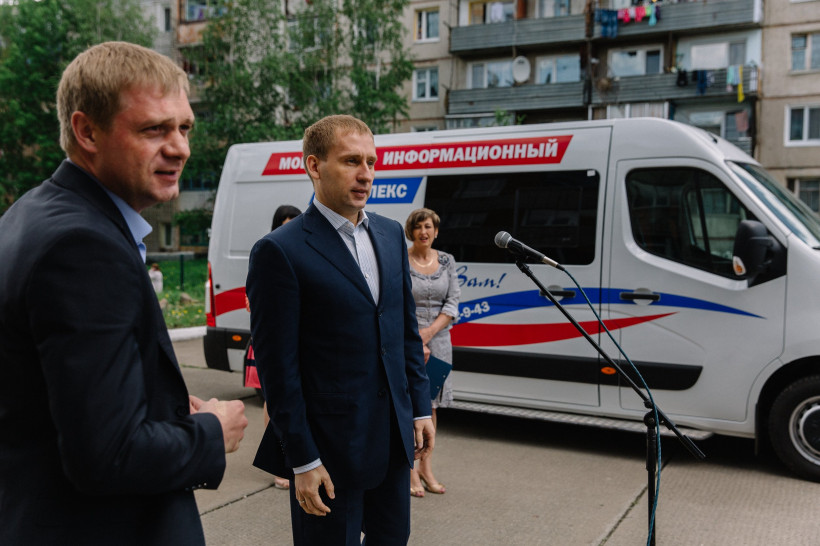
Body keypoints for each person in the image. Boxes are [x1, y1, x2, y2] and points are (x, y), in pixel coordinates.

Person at [0, 41, 248, 545]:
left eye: (184, 128)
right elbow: (107, 455)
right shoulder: (83, 246)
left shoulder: (33, 212)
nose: (179, 148)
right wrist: (211, 432)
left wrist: (161, 408)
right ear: (87, 131)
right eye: (154, 129)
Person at [247, 114, 435, 545]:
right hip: (328, 452)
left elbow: (404, 332)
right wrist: (302, 459)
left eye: (371, 162)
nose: (366, 174)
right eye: (351, 161)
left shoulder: (390, 234)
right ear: (314, 166)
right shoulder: (280, 250)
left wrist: (419, 409)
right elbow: (278, 369)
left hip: (392, 442)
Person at [244, 204, 303, 490]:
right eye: (283, 225)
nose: (288, 231)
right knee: (274, 400)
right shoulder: (268, 252)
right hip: (275, 339)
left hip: (301, 340)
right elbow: (251, 300)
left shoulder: (305, 254)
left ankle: (298, 458)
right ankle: (279, 463)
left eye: (294, 225)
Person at [405, 208, 460, 497]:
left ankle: (426, 466)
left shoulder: (447, 261)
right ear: (410, 232)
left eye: (428, 226)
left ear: (436, 231)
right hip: (407, 341)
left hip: (438, 343)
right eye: (418, 227)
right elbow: (397, 300)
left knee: (431, 406)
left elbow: (453, 302)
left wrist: (428, 333)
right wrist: (415, 337)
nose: (423, 232)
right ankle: (410, 470)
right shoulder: (401, 259)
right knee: (408, 403)